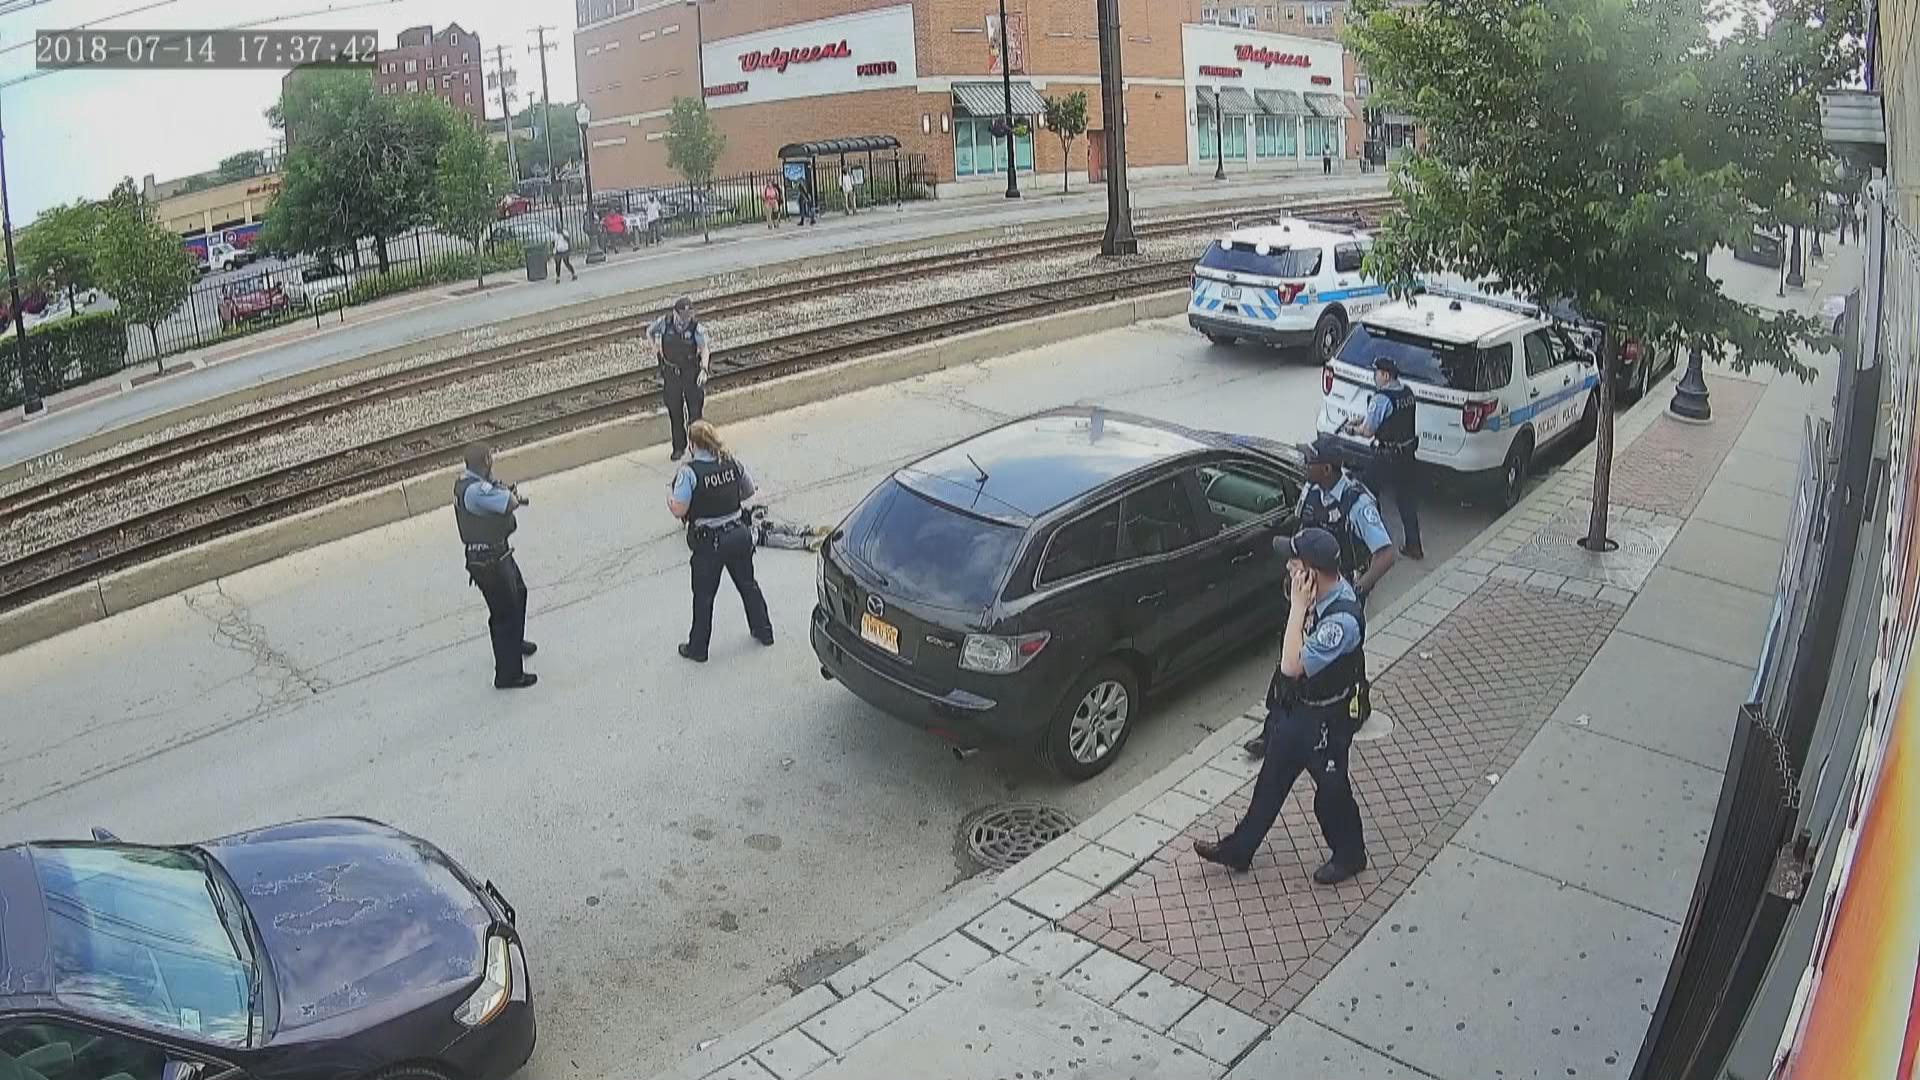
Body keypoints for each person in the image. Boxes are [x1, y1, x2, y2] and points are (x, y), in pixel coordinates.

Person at [1196, 527, 1368, 885]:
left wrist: (1298, 607)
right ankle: (1240, 850)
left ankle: (1350, 855)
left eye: (1294, 563)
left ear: (1312, 573)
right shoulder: (1322, 596)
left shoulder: (1342, 621)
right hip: (1300, 711)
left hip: (1328, 723)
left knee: (1332, 795)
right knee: (1271, 780)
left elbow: (1292, 665)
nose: (1288, 568)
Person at [1245, 436, 1395, 758]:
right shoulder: (1310, 492)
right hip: (1309, 593)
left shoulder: (1356, 504)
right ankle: (1273, 728)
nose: (1304, 466)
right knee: (1295, 658)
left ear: (1326, 468)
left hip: (1340, 594)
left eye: (1310, 462)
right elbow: (1301, 536)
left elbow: (1385, 555)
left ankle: (1354, 705)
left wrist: (1356, 591)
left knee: (1343, 661)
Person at [668, 420, 774, 662]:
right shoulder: (732, 462)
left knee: (704, 598)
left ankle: (698, 649)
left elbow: (679, 509)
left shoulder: (689, 473)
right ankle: (764, 631)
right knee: (749, 585)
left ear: (693, 444)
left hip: (709, 544)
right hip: (738, 535)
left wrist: (669, 499)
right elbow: (748, 491)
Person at [454, 443, 539, 690]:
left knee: (519, 593)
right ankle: (508, 675)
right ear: (486, 461)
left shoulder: (466, 483)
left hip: (496, 554)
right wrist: (504, 491)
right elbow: (509, 503)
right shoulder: (477, 491)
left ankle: (515, 643)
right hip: (489, 561)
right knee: (504, 614)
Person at [1342, 356, 1424, 560]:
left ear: (1386, 375)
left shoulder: (1382, 398)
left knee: (1365, 494)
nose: (1374, 377)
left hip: (1386, 457)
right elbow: (1391, 418)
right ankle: (1414, 546)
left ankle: (1370, 545)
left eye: (1376, 373)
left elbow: (1368, 430)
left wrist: (1352, 429)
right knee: (1406, 500)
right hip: (1407, 455)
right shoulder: (1407, 393)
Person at [649, 296, 710, 461]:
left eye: (688, 315)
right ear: (674, 313)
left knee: (695, 413)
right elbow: (650, 331)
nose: (685, 319)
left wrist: (704, 369)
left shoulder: (696, 328)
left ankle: (698, 447)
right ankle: (679, 447)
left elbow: (704, 349)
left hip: (690, 372)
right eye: (682, 316)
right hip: (671, 373)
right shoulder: (664, 323)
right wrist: (655, 347)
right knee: (675, 412)